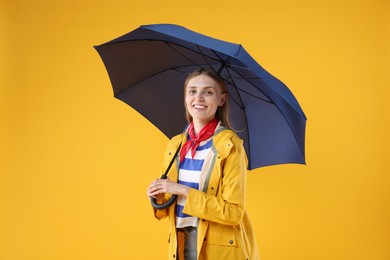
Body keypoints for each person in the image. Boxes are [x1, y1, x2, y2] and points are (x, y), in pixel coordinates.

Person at [147, 68, 259, 260]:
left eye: (208, 92)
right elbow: (165, 210)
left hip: (218, 249)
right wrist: (158, 197)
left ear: (221, 100)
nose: (198, 98)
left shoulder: (230, 146)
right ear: (185, 97)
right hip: (180, 245)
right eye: (192, 91)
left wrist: (181, 190)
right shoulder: (176, 144)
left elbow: (233, 212)